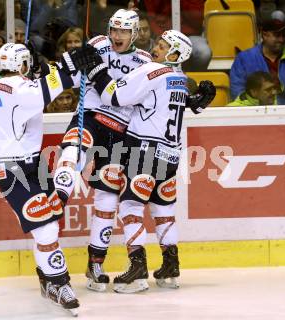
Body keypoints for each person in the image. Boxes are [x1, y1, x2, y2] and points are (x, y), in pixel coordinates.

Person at [80, 29, 215, 293]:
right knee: (163, 211)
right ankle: (170, 267)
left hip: (144, 151)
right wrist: (197, 103)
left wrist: (95, 70)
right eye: (159, 42)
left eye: (164, 46)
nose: (157, 47)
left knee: (130, 205)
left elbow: (114, 97)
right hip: (171, 154)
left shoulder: (151, 70)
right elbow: (180, 105)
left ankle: (137, 268)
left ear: (175, 54)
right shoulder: (179, 77)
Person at [0, 42, 96, 315]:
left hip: (30, 163)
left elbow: (31, 91)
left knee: (50, 219)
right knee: (46, 228)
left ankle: (46, 276)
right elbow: (52, 87)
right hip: (13, 170)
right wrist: (69, 61)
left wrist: (46, 69)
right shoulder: (18, 91)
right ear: (22, 65)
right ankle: (58, 283)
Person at [52, 9, 152, 293]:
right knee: (73, 152)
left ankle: (95, 264)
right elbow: (66, 71)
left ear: (135, 33)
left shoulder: (144, 62)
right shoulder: (96, 44)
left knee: (107, 201)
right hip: (91, 117)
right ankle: (58, 197)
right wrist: (60, 57)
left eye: (123, 31)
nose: (117, 36)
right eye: (114, 29)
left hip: (120, 130)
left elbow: (127, 93)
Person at [230, 14, 285, 104]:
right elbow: (238, 92)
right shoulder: (245, 58)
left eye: (284, 35)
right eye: (277, 35)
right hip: (255, 111)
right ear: (264, 35)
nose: (282, 39)